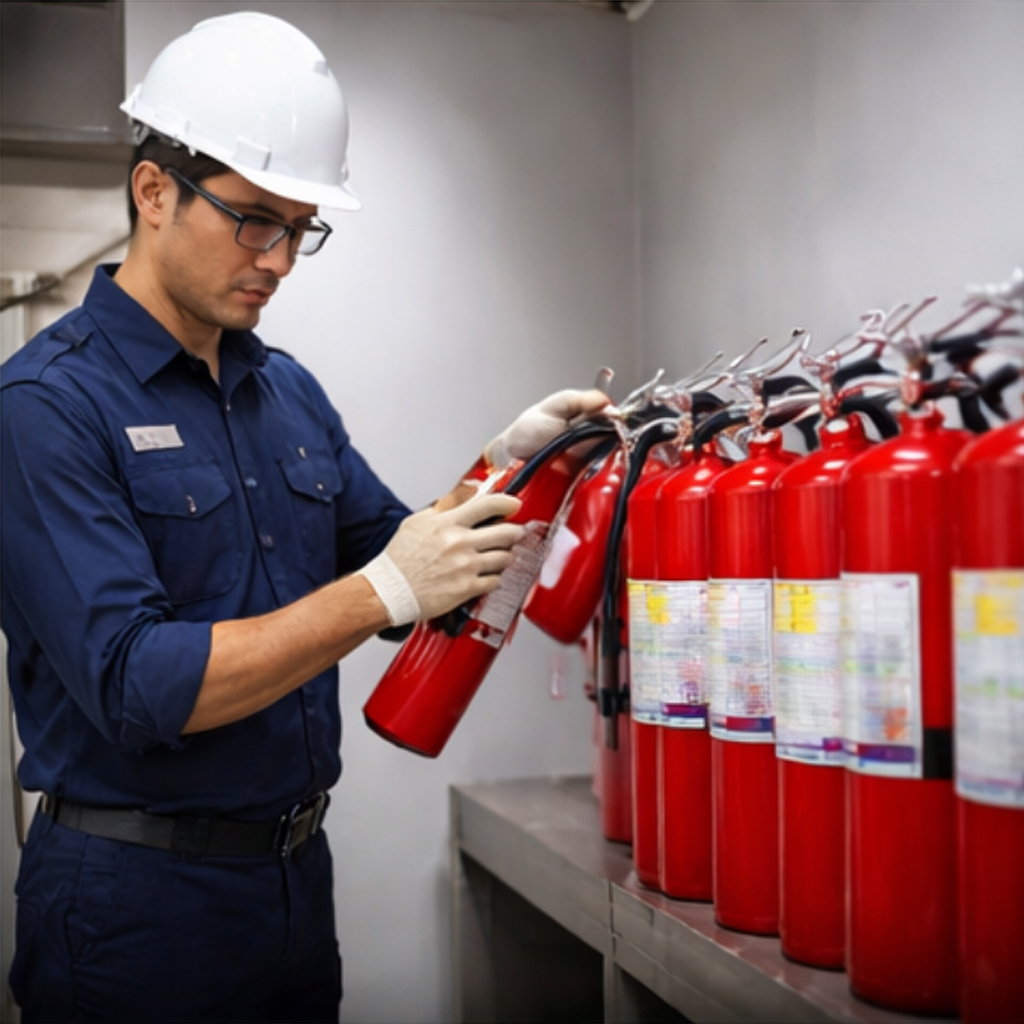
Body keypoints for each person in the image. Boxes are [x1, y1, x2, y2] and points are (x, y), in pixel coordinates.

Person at [0, 12, 609, 1022]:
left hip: (290, 882)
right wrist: (379, 591)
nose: (280, 259)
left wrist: (507, 467)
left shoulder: (285, 394)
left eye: (300, 229)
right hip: (129, 905)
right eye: (255, 220)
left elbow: (405, 561)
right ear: (154, 191)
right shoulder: (45, 407)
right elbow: (136, 684)